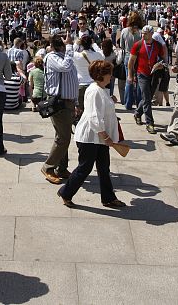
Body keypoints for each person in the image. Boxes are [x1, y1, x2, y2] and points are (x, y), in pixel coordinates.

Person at [57, 60, 126, 208]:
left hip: (98, 137)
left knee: (103, 168)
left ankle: (108, 198)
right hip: (91, 137)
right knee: (85, 168)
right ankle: (65, 192)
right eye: (109, 73)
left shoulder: (100, 89)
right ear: (102, 75)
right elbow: (94, 117)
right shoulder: (95, 90)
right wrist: (105, 136)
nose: (111, 76)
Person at [41, 34, 78, 185]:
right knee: (63, 138)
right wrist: (69, 47)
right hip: (59, 102)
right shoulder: (52, 57)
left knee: (63, 136)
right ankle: (48, 167)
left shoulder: (65, 57)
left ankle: (61, 168)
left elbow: (72, 78)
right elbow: (64, 67)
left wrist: (75, 102)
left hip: (68, 102)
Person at [128, 25, 167, 134]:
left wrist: (161, 65)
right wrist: (130, 75)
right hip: (142, 74)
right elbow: (131, 61)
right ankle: (150, 123)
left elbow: (163, 59)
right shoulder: (138, 45)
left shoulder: (157, 45)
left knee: (148, 98)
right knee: (146, 96)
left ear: (151, 34)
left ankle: (137, 113)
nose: (143, 35)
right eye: (142, 33)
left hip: (153, 74)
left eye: (145, 33)